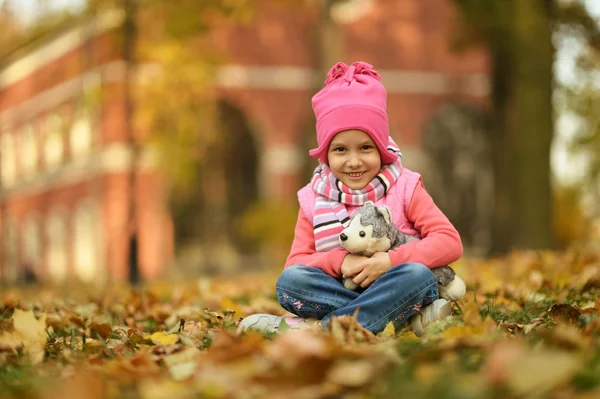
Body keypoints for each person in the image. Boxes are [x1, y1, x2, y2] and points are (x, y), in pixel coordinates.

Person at [238, 61, 463, 337]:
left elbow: (449, 241)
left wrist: (392, 261)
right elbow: (297, 262)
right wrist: (342, 262)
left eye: (366, 148)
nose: (354, 161)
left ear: (382, 148)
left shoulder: (405, 186)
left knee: (418, 277)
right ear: (326, 154)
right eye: (341, 149)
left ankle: (315, 331)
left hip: (398, 282)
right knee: (290, 282)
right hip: (340, 288)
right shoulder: (314, 197)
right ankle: (394, 318)